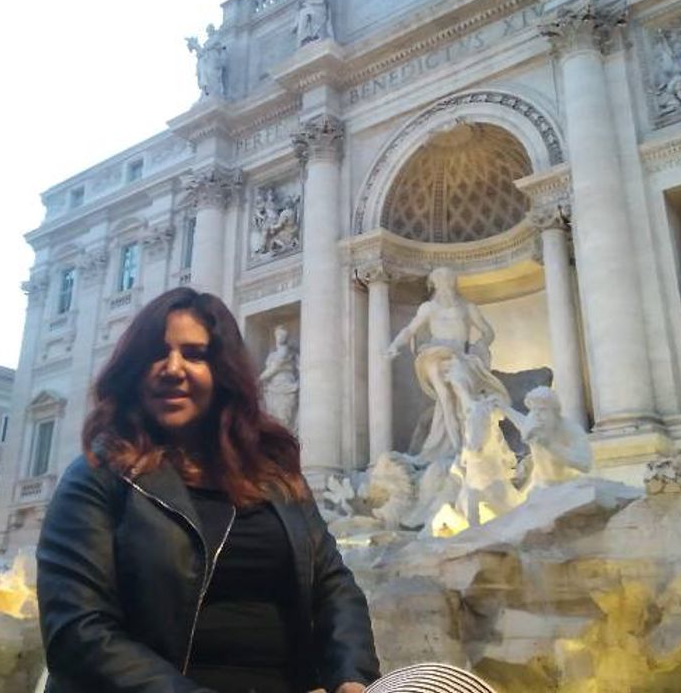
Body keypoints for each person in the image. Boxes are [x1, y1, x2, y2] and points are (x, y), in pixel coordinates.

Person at [37, 287, 379, 693]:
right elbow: (77, 632)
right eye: (156, 354)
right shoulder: (99, 477)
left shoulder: (274, 475)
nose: (172, 367)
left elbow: (333, 586)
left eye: (195, 355)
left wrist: (352, 678)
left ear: (223, 372)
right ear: (133, 371)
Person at [386, 267, 510, 462]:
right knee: (445, 398)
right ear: (434, 284)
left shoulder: (467, 307)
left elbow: (488, 332)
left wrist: (481, 346)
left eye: (448, 279)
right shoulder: (428, 308)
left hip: (460, 356)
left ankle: (461, 446)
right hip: (434, 354)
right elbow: (410, 330)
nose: (445, 284)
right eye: (440, 280)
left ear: (453, 282)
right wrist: (394, 345)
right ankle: (457, 449)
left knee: (460, 390)